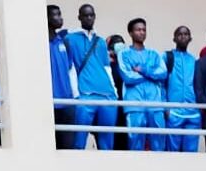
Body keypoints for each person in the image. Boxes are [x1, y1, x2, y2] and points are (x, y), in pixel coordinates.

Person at [65, 4, 116, 151]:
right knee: (79, 140)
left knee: (107, 142)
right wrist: (76, 95)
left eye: (91, 15)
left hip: (107, 95)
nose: (89, 18)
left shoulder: (100, 41)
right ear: (79, 17)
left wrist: (114, 92)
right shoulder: (70, 39)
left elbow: (107, 68)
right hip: (85, 94)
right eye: (85, 15)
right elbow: (70, 68)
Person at [118, 19, 167, 152]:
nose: (142, 32)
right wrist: (151, 75)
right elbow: (128, 77)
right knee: (135, 143)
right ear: (130, 33)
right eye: (138, 30)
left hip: (155, 105)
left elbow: (163, 73)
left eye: (144, 30)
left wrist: (144, 70)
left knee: (158, 144)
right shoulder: (123, 54)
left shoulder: (154, 53)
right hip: (134, 105)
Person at [165, 26, 200, 153]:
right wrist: (166, 108)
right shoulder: (168, 57)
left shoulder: (194, 60)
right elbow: (162, 84)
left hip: (193, 113)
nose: (183, 36)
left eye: (186, 34)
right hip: (174, 112)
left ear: (190, 38)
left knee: (191, 154)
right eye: (180, 34)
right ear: (174, 38)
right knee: (172, 154)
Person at [46, 5, 72, 149]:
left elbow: (70, 68)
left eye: (60, 14)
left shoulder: (63, 41)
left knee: (67, 149)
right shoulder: (39, 43)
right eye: (55, 15)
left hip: (66, 102)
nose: (60, 18)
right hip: (48, 104)